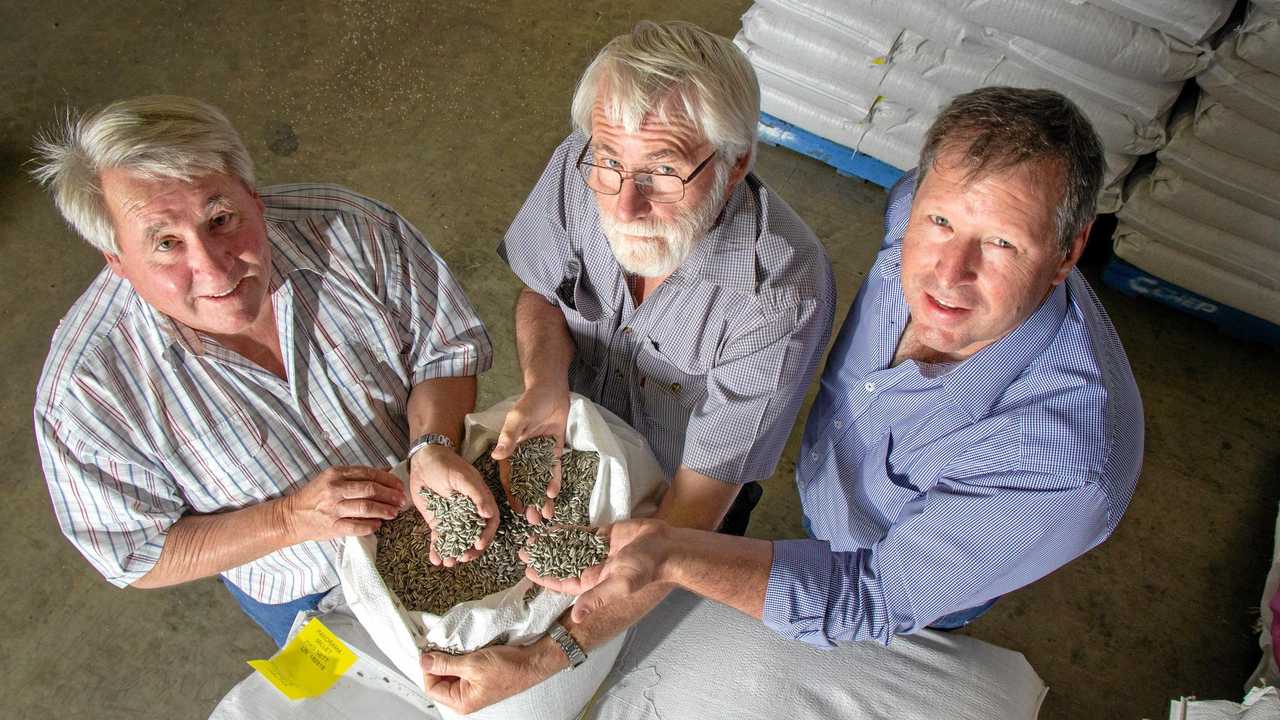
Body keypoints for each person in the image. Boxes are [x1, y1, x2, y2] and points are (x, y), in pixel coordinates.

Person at [531, 86, 1144, 649]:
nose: (948, 273)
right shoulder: (911, 206)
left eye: (1003, 243)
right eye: (940, 223)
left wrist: (670, 554)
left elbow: (867, 596)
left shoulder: (1062, 468)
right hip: (834, 484)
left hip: (892, 569)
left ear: (1068, 252)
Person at [420, 21, 834, 711]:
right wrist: (547, 387)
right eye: (610, 160)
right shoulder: (579, 167)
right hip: (574, 440)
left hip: (685, 486)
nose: (624, 201)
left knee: (665, 633)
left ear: (735, 164)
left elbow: (691, 521)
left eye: (664, 169)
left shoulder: (779, 293)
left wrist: (546, 659)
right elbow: (540, 298)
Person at [31, 95, 497, 647]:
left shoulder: (353, 232)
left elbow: (444, 348)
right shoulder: (87, 392)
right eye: (165, 243)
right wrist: (290, 520)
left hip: (439, 512)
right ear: (116, 259)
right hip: (308, 592)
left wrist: (434, 446)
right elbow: (133, 551)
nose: (213, 265)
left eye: (222, 219)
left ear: (253, 197)